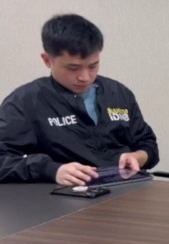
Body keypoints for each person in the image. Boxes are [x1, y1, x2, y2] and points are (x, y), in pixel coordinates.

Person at [0, 14, 159, 186]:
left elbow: (148, 144)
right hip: (64, 194)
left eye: (93, 66)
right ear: (47, 60)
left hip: (125, 188)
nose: (85, 77)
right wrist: (51, 170)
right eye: (73, 68)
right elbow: (3, 161)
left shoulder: (118, 93)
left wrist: (138, 157)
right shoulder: (25, 102)